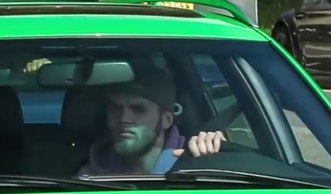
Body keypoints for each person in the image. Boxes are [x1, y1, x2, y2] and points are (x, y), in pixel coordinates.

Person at [78, 65, 226, 176]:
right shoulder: (87, 178)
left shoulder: (193, 165)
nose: (124, 118)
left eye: (138, 109)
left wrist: (217, 159)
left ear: (166, 120)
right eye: (115, 109)